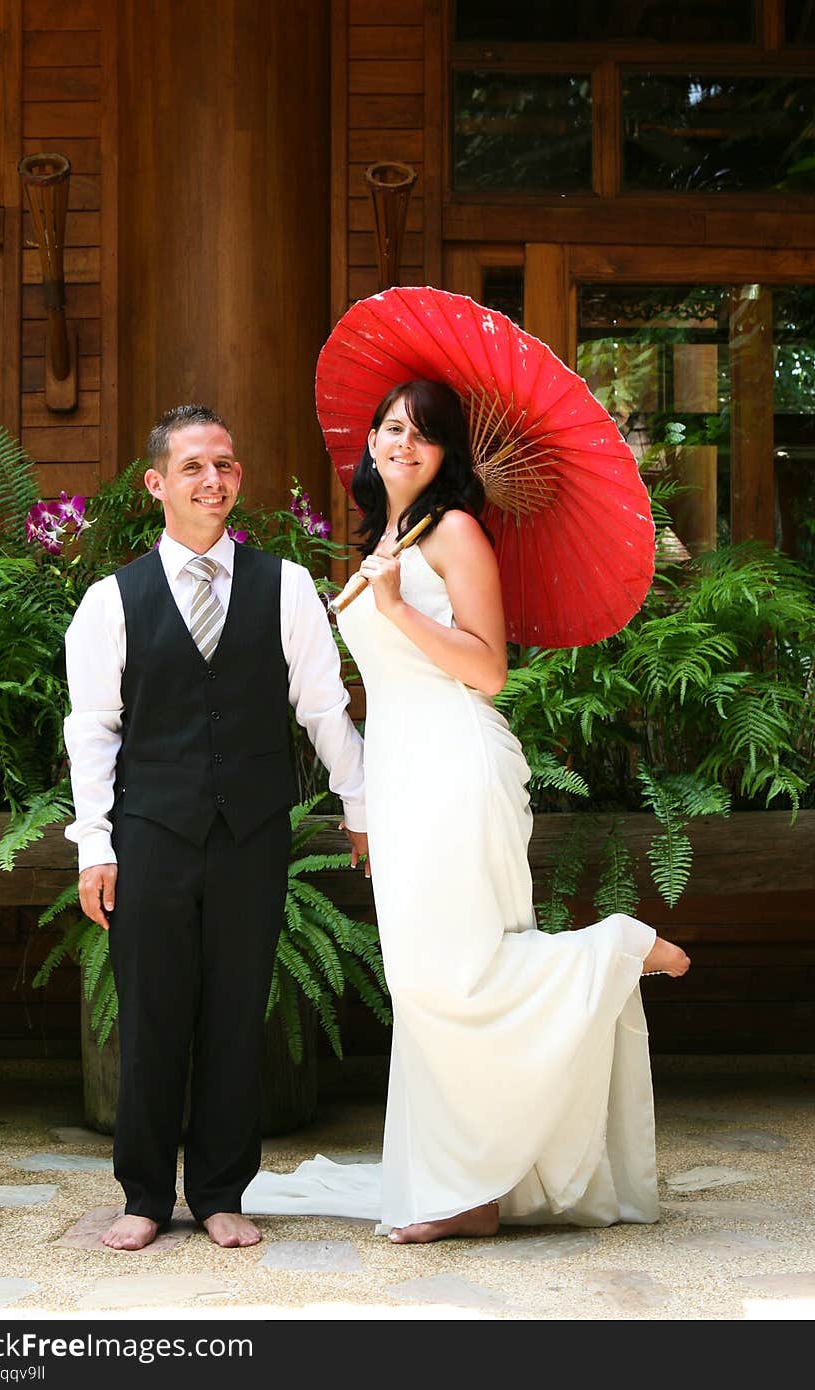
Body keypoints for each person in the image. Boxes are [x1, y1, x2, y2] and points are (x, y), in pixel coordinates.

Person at [245, 378, 690, 1244]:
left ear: (447, 454)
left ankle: (612, 950)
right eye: (390, 427)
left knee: (454, 974)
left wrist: (398, 609)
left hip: (455, 757)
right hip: (403, 769)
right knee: (421, 981)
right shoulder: (383, 538)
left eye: (422, 434)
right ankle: (468, 1190)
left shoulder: (456, 532)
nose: (401, 443)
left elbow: (490, 670)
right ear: (370, 440)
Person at [63, 403, 368, 1252]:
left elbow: (322, 707)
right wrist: (96, 845)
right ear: (157, 483)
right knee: (152, 1014)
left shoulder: (287, 586)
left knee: (239, 1013)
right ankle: (144, 1196)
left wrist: (361, 805)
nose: (214, 479)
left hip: (252, 832)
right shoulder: (110, 599)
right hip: (151, 833)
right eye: (194, 466)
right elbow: (91, 728)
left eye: (226, 465)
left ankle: (224, 1191)